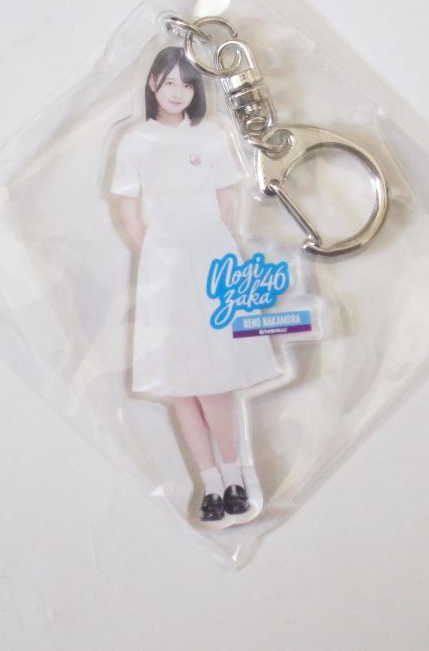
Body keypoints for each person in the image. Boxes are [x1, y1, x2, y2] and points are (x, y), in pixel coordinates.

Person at [110, 46, 280, 522]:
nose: (177, 92)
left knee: (212, 377)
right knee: (180, 382)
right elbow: (127, 211)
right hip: (164, 267)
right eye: (169, 83)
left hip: (210, 262)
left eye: (187, 85)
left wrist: (210, 249)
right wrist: (159, 255)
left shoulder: (209, 136)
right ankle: (211, 485)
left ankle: (235, 478)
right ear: (152, 84)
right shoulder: (135, 141)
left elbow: (227, 201)